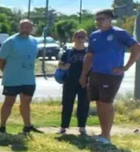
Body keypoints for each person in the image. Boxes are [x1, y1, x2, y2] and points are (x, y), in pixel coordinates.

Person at [79, 9, 140, 144]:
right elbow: (89, 56)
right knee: (99, 103)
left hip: (111, 75)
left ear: (110, 19)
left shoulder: (119, 33)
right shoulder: (94, 35)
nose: (98, 22)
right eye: (97, 19)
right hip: (95, 73)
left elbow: (136, 47)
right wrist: (84, 75)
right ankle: (103, 133)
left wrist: (126, 67)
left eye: (102, 19)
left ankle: (106, 136)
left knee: (106, 103)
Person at [0, 19, 42, 135]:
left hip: (28, 79)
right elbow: (1, 59)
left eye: (28, 27)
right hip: (12, 79)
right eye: (23, 27)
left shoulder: (34, 41)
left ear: (32, 29)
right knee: (9, 102)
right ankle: (2, 126)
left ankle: (27, 126)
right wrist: (6, 71)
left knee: (26, 102)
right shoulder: (10, 41)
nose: (25, 30)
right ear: (19, 27)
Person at [58, 30, 89, 135]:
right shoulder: (68, 52)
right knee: (67, 104)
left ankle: (82, 127)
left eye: (82, 37)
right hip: (70, 81)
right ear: (74, 38)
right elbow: (60, 64)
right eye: (78, 37)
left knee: (83, 104)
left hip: (85, 82)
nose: (80, 39)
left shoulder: (88, 52)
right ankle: (63, 126)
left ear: (86, 38)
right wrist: (64, 66)